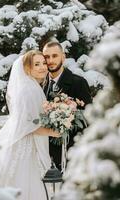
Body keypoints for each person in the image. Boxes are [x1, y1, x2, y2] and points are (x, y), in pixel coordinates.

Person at [0, 50, 60, 200]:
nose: (43, 67)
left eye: (44, 63)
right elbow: (28, 126)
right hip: (26, 147)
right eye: (37, 64)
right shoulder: (28, 91)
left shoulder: (32, 87)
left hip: (29, 143)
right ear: (27, 68)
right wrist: (52, 132)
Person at [42, 41, 92, 171]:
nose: (50, 60)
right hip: (43, 156)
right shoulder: (40, 85)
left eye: (55, 56)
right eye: (47, 57)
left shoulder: (78, 83)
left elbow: (88, 121)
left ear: (63, 57)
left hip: (69, 157)